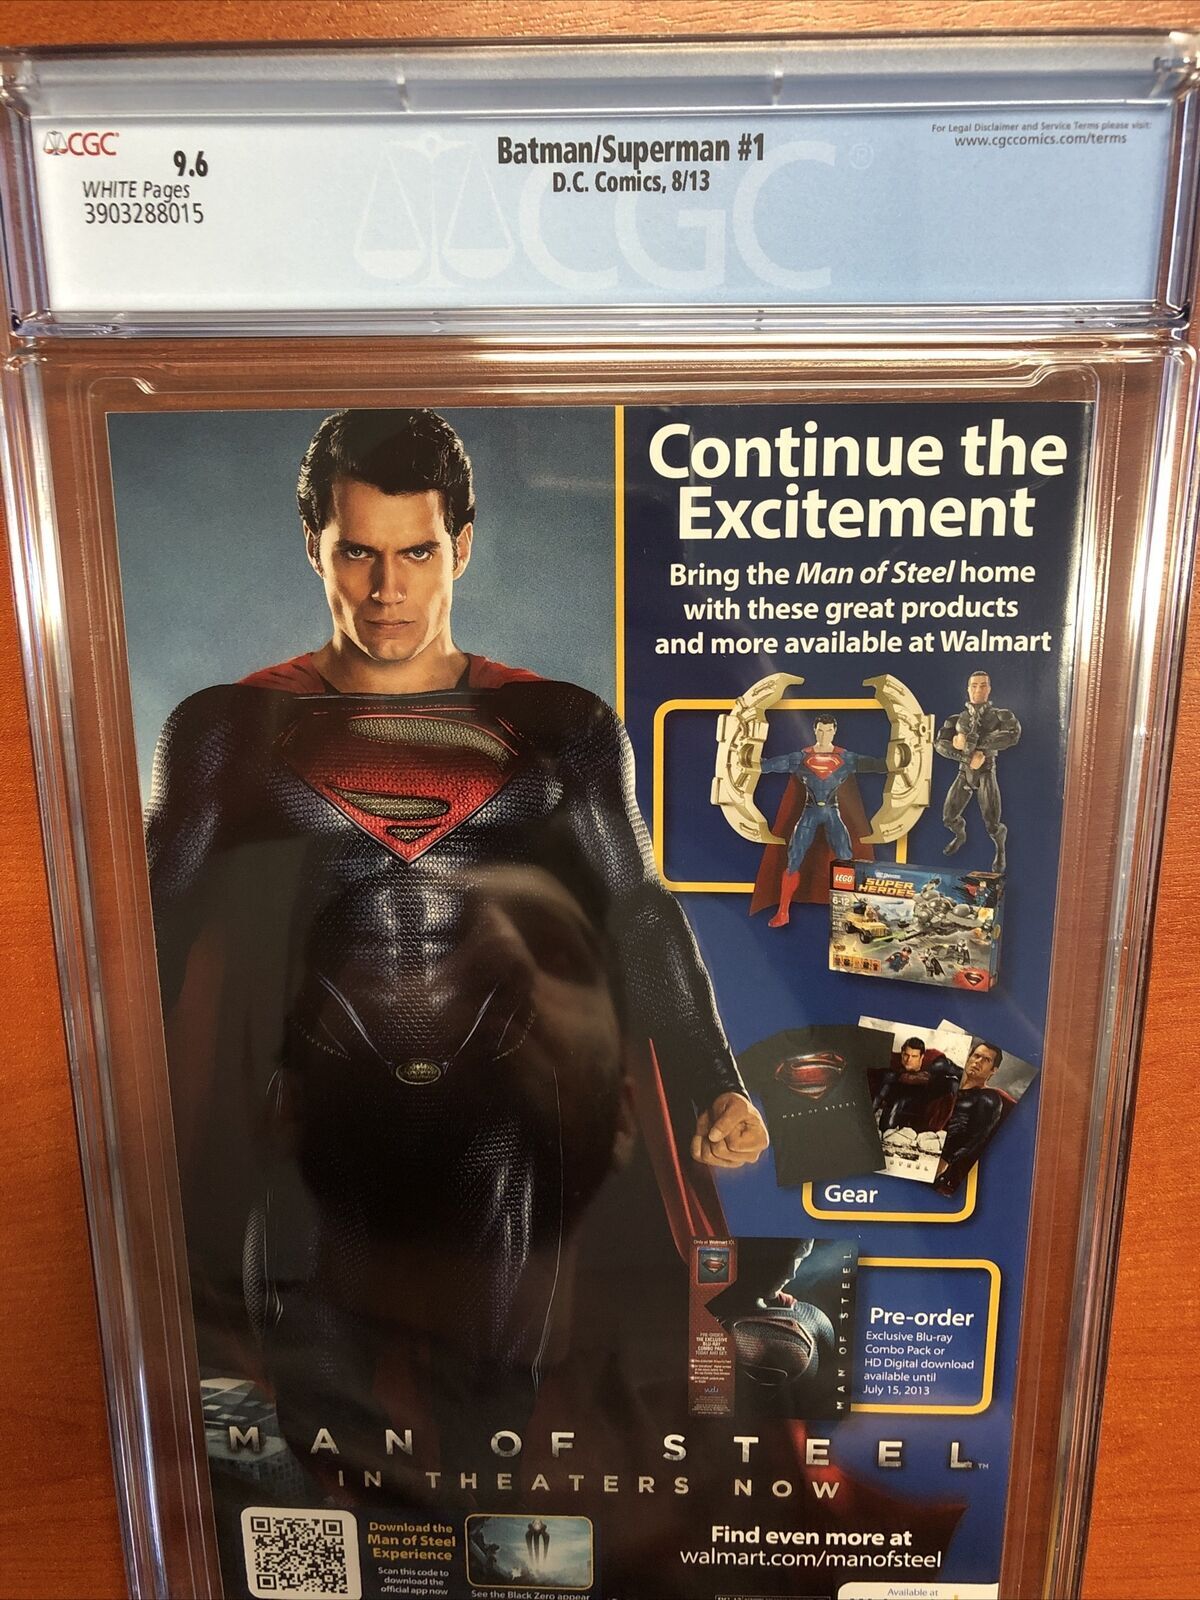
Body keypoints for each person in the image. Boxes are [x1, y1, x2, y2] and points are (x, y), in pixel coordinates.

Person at [146, 408, 767, 1488]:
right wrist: (102, 1116)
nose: (387, 589)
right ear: (314, 546)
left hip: (502, 1130)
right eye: (358, 552)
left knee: (496, 1433)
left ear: (462, 545)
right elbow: (152, 925)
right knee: (318, 1433)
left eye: (417, 552)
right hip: (313, 1129)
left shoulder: (558, 724)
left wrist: (715, 1078)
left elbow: (636, 910)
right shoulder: (229, 728)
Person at [757, 715, 888, 926]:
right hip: (810, 811)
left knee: (846, 859)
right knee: (794, 859)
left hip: (832, 812)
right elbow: (770, 766)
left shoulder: (846, 758)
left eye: (828, 730)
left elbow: (877, 765)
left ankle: (853, 912)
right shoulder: (801, 757)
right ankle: (783, 912)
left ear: (834, 731)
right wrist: (753, 762)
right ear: (814, 730)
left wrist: (898, 761)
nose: (824, 735)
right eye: (820, 730)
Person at [935, 670, 1021, 872]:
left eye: (983, 686)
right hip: (964, 771)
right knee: (948, 817)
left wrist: (973, 745)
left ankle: (1000, 849)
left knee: (992, 824)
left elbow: (1013, 735)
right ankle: (960, 835)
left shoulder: (1000, 715)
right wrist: (966, 756)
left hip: (986, 772)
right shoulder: (957, 719)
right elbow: (939, 744)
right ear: (968, 689)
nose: (978, 690)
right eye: (974, 686)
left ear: (989, 689)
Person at [935, 1040, 1015, 1193]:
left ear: (993, 1070)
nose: (978, 1061)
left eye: (986, 1060)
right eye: (976, 1056)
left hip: (943, 1165)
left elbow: (975, 1139)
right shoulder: (950, 1082)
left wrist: (945, 1161)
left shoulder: (988, 1098)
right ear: (968, 1058)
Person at [872, 1036, 960, 1136]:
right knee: (887, 1126)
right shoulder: (893, 1061)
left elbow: (961, 1074)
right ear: (902, 1053)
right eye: (906, 1055)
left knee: (953, 1084)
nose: (909, 1060)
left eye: (914, 1056)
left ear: (922, 1057)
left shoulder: (936, 1063)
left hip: (927, 1097)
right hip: (902, 1095)